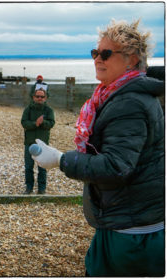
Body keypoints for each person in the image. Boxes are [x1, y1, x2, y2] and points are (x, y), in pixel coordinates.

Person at [32, 19, 164, 276]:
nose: (97, 59)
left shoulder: (129, 103)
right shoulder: (119, 94)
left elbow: (116, 167)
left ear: (132, 59)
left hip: (132, 232)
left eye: (106, 53)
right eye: (95, 53)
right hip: (127, 218)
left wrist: (60, 160)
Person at [21, 88, 55, 194]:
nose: (40, 98)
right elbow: (24, 123)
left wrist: (43, 122)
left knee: (42, 167)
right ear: (33, 97)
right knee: (28, 167)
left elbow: (51, 123)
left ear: (45, 98)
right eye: (38, 96)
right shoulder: (28, 109)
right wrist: (35, 124)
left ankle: (41, 189)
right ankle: (29, 188)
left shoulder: (49, 110)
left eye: (42, 96)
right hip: (30, 143)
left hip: (43, 144)